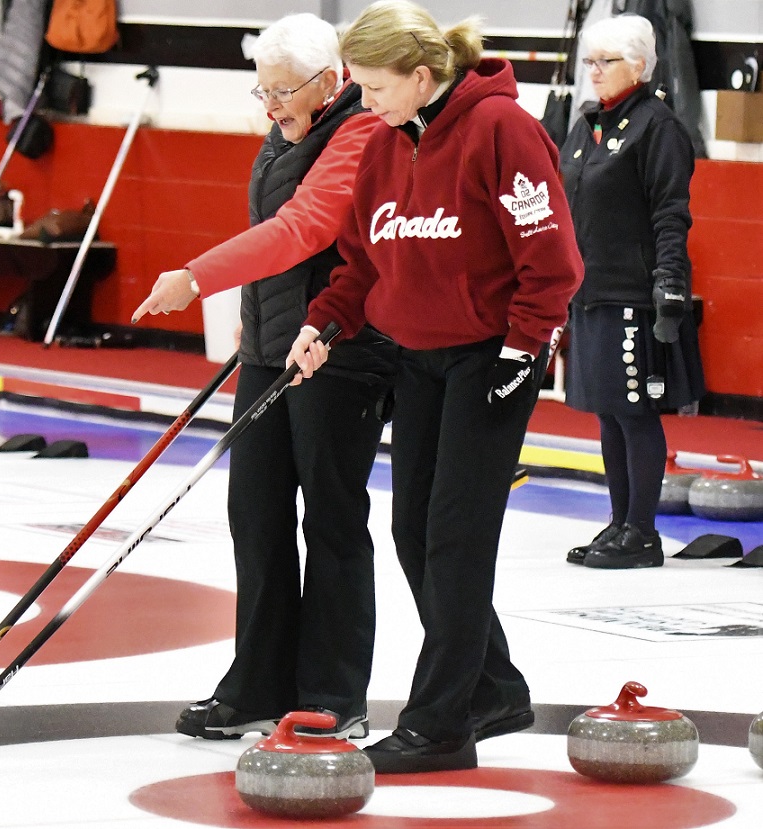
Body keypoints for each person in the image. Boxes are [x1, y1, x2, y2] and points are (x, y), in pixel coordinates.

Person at [287, 0, 583, 773]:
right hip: (414, 356)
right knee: (413, 530)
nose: (364, 102)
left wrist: (525, 346)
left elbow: (551, 259)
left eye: (375, 86)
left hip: (492, 358)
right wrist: (325, 321)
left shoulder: (502, 130)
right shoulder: (385, 143)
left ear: (421, 76)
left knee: (455, 535)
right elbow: (361, 260)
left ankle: (440, 721)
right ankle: (492, 685)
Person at [133, 14, 397, 742]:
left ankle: (333, 693)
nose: (270, 103)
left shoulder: (361, 135)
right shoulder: (289, 127)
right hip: (272, 347)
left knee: (333, 520)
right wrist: (253, 315)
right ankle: (256, 684)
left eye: (282, 90)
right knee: (254, 513)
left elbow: (303, 229)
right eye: (263, 89)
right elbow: (272, 232)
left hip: (342, 349)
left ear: (328, 81)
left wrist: (196, 276)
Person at [559, 14, 703, 570]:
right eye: (589, 61)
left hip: (636, 296)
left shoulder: (657, 127)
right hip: (589, 291)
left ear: (639, 66)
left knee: (635, 410)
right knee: (606, 413)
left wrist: (670, 288)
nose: (593, 72)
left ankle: (643, 533)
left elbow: (672, 214)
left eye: (605, 62)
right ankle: (619, 523)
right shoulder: (586, 125)